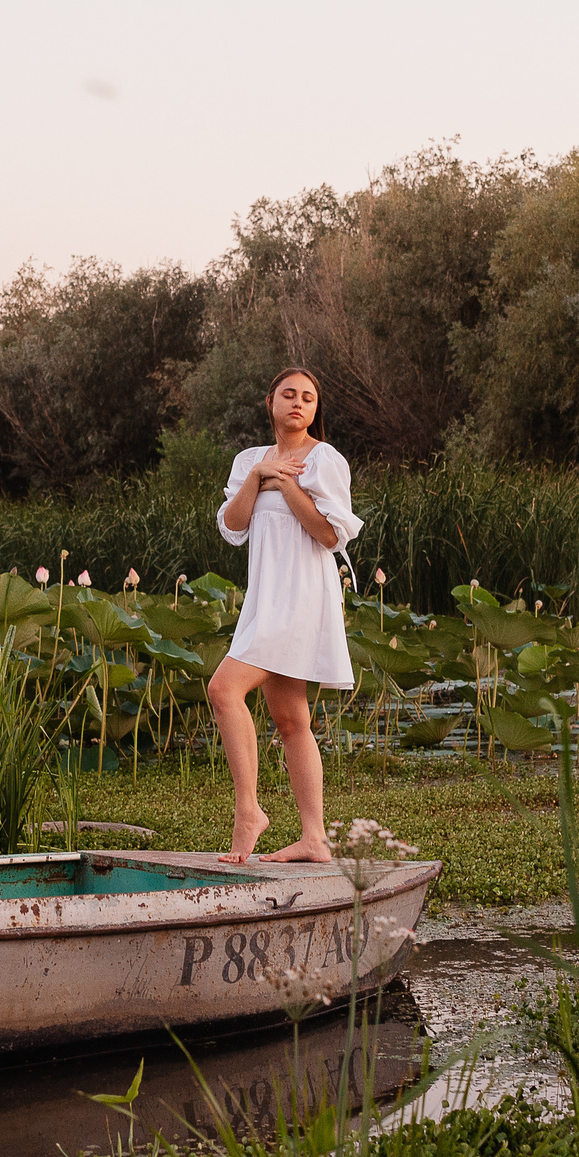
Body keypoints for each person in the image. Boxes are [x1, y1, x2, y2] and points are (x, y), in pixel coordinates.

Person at [209, 367, 362, 863]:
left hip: (302, 598)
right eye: (289, 394)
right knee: (291, 718)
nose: (298, 403)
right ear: (270, 401)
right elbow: (233, 526)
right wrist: (259, 477)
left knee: (222, 689)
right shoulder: (249, 460)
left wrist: (287, 487)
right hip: (264, 599)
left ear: (316, 409)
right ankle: (315, 837)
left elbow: (330, 534)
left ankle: (248, 812)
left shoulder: (324, 460)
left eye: (309, 398)